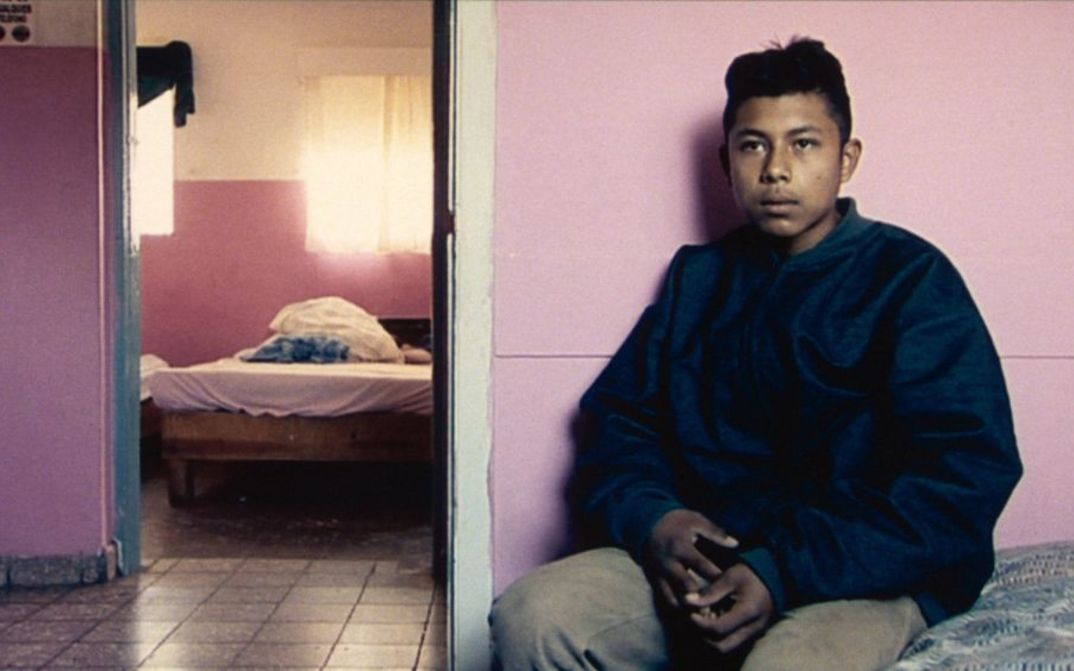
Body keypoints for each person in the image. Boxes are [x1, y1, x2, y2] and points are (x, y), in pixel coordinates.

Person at [489, 37, 1022, 670]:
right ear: (727, 161)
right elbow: (620, 423)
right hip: (713, 565)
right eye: (753, 145)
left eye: (804, 144)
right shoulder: (697, 280)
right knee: (537, 616)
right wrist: (655, 520)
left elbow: (961, 477)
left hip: (861, 575)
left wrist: (780, 570)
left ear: (847, 158)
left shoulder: (911, 280)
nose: (776, 169)